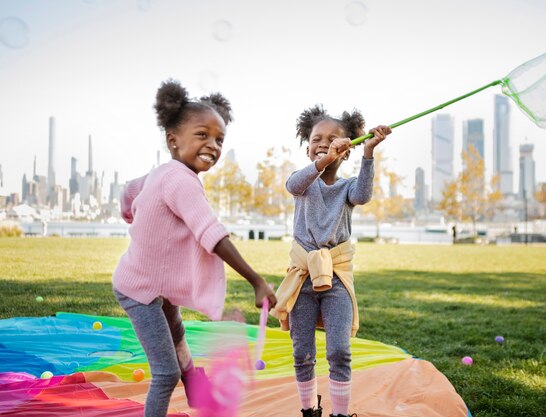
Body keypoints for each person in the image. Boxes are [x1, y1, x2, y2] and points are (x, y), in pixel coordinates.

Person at [112, 79, 277, 417]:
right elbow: (212, 234)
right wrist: (256, 280)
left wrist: (131, 212)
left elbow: (131, 190)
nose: (213, 146)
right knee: (164, 372)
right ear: (174, 141)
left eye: (219, 139)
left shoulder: (164, 172)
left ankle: (195, 387)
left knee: (177, 332)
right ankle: (180, 386)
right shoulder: (179, 180)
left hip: (159, 284)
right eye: (202, 135)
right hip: (138, 290)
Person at [271, 105, 391, 417]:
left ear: (347, 149)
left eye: (333, 139)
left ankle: (339, 413)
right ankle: (309, 410)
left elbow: (363, 194)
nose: (323, 143)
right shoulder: (304, 182)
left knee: (339, 350)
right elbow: (293, 185)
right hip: (303, 279)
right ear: (307, 146)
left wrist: (368, 152)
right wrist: (324, 161)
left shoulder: (346, 187)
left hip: (336, 278)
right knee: (303, 353)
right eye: (316, 139)